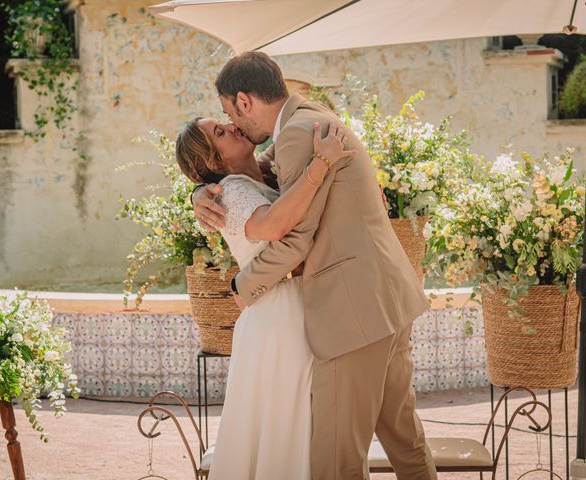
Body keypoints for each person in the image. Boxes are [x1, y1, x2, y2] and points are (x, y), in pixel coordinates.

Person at [192, 51, 438, 480]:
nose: (232, 123)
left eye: (229, 112)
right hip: (388, 301)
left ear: (245, 102)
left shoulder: (294, 136)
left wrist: (241, 285)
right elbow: (258, 176)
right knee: (405, 440)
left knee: (336, 460)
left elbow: (295, 239)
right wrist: (200, 190)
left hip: (352, 314)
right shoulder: (311, 118)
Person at [176, 116, 353, 479]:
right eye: (220, 133)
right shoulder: (231, 192)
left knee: (300, 430)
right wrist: (322, 164)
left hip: (293, 309)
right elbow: (273, 225)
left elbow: (285, 120)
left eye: (225, 121)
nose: (232, 126)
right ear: (211, 162)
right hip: (280, 319)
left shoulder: (262, 171)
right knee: (289, 432)